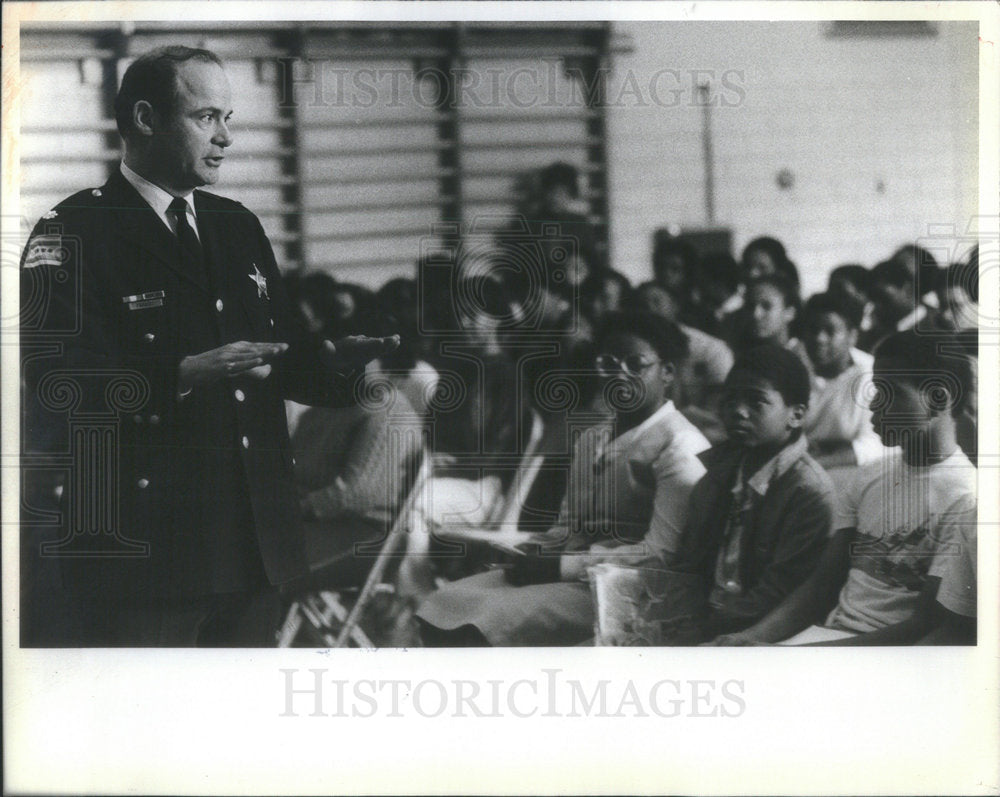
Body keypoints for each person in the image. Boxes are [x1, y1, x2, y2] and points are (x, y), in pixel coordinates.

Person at [19, 45, 397, 646]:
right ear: (145, 119)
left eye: (229, 120)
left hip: (252, 544)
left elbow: (278, 360)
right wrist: (181, 373)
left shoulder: (236, 226)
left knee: (237, 728)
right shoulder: (73, 232)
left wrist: (333, 362)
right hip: (147, 550)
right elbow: (54, 382)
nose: (225, 138)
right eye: (206, 118)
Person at [415, 312, 711, 646]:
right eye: (608, 364)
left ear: (667, 372)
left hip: (633, 591)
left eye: (636, 364)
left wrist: (559, 567)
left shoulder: (681, 443)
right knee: (443, 603)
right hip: (575, 575)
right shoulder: (591, 438)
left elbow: (661, 554)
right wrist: (525, 552)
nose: (619, 375)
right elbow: (567, 527)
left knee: (484, 619)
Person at [705, 330, 977, 646]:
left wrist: (792, 655)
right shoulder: (870, 477)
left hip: (886, 657)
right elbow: (821, 587)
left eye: (890, 392)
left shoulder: (966, 497)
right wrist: (749, 638)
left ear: (939, 398)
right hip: (827, 638)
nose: (874, 405)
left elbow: (923, 626)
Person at [639, 344, 833, 643]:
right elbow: (688, 565)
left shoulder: (808, 493)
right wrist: (666, 617)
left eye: (756, 402)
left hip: (756, 633)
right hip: (705, 619)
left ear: (795, 415)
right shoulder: (719, 473)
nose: (738, 411)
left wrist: (701, 630)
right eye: (730, 400)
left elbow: (777, 592)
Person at [799, 291, 884, 471]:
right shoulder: (790, 364)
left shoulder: (872, 374)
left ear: (852, 336)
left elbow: (873, 445)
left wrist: (817, 464)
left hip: (848, 472)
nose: (819, 339)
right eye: (813, 330)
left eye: (830, 331)